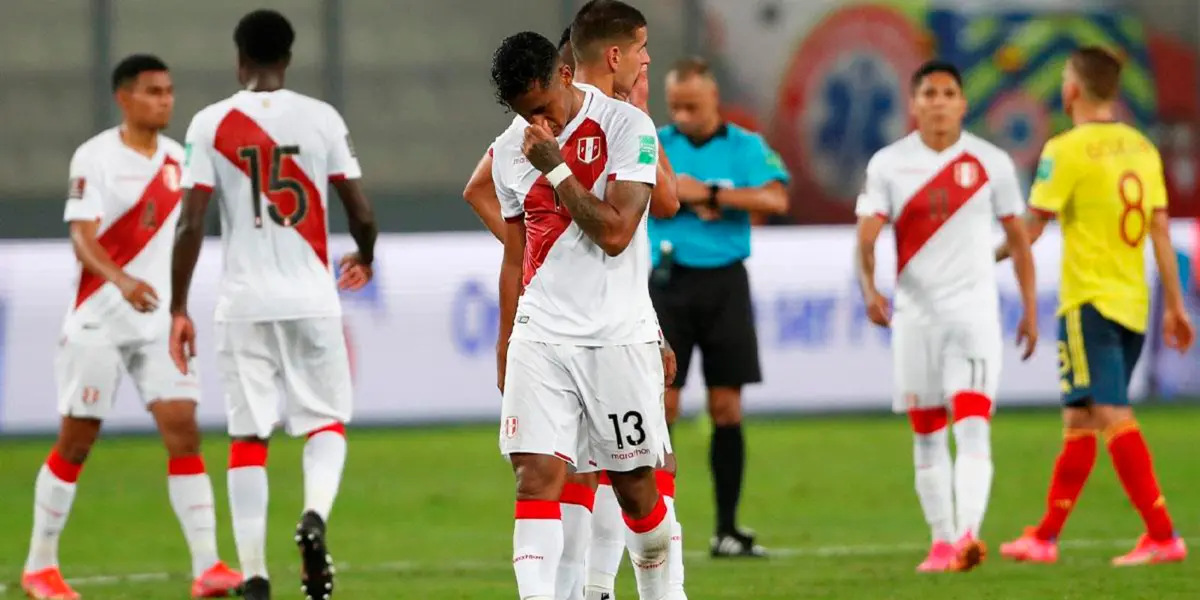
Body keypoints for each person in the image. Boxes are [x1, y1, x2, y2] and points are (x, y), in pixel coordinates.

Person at [466, 11, 685, 600]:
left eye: (542, 105)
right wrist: (505, 339)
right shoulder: (513, 148)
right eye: (523, 112)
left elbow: (615, 233)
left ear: (565, 73)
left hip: (616, 336)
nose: (537, 122)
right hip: (543, 334)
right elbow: (517, 258)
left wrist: (557, 168)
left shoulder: (627, 126)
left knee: (638, 487)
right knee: (535, 476)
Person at [169, 10, 378, 600]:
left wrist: (177, 308)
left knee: (248, 436)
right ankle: (313, 515)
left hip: (242, 302)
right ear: (288, 58)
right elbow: (360, 210)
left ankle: (255, 575)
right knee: (327, 420)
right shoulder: (321, 119)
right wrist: (366, 254)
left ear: (240, 60)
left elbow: (190, 223)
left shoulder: (210, 124)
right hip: (311, 296)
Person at [19, 54, 244, 600]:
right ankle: (39, 567)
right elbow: (83, 237)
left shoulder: (179, 159)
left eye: (168, 91)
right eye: (152, 92)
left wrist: (181, 306)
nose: (164, 100)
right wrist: (119, 280)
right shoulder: (94, 157)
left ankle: (208, 566)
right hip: (99, 318)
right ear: (125, 97)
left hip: (159, 323)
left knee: (183, 430)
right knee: (76, 442)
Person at [998, 46, 1193, 566]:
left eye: (1063, 77)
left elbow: (1032, 228)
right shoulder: (1141, 148)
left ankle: (1162, 533)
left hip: (1089, 303)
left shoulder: (1065, 150)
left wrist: (982, 257)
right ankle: (1045, 536)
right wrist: (1176, 306)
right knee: (1081, 419)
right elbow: (1160, 232)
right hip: (1134, 303)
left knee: (1109, 413)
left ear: (1072, 91)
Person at [855, 60, 1038, 573]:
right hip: (915, 319)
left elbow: (1019, 240)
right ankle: (940, 543)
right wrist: (870, 288)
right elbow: (867, 235)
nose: (938, 101)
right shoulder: (889, 164)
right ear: (913, 104)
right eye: (929, 93)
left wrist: (1027, 307)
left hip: (974, 315)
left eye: (948, 92)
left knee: (974, 424)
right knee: (928, 430)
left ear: (963, 103)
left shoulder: (991, 162)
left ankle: (967, 536)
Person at [649, 56, 789, 558]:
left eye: (692, 105)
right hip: (668, 283)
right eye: (676, 106)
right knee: (662, 405)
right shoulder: (656, 143)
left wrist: (710, 194)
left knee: (726, 406)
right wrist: (686, 198)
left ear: (713, 102)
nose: (683, 115)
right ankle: (654, 526)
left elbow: (775, 199)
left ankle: (727, 530)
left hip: (726, 283)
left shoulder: (744, 146)